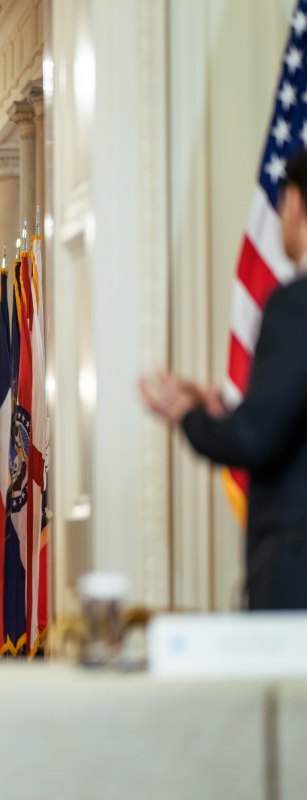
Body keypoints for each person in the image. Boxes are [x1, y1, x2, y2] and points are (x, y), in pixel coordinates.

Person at [140, 149, 307, 610]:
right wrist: (224, 410)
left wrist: (188, 416)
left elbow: (255, 439)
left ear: (293, 203)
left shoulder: (296, 305)